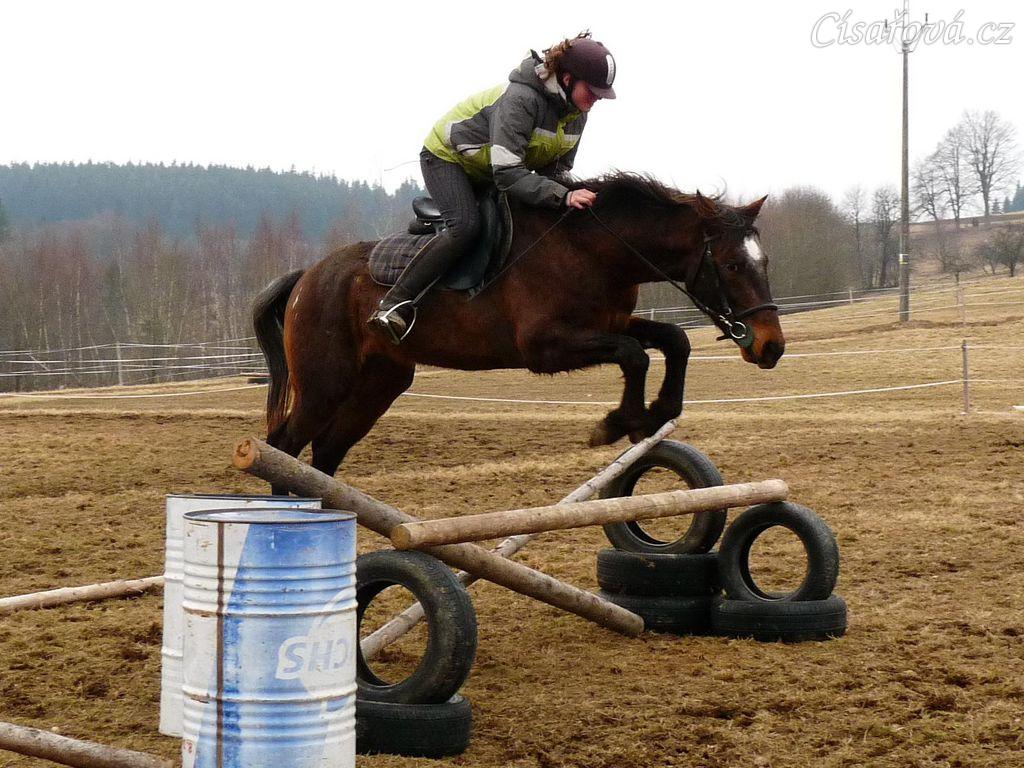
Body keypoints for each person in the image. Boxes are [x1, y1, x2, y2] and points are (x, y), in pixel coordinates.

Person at [367, 31, 617, 344]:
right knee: (465, 227)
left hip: (491, 168)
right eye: (592, 91)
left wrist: (573, 196)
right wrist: (564, 195)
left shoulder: (577, 115)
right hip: (447, 158)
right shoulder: (521, 101)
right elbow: (509, 175)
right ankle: (393, 305)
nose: (596, 100)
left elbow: (555, 171)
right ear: (567, 79)